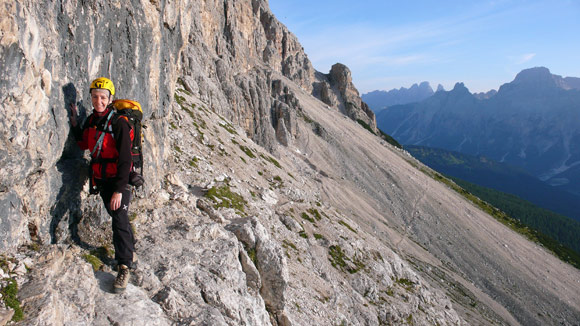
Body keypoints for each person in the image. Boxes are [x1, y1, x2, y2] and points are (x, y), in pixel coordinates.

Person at [69, 77, 136, 293]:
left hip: (119, 180)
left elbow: (126, 160)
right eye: (95, 97)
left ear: (110, 99)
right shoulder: (91, 121)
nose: (99, 101)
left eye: (103, 97)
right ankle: (128, 243)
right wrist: (73, 123)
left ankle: (124, 266)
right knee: (117, 217)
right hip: (103, 180)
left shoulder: (119, 123)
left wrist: (119, 190)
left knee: (118, 218)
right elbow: (84, 143)